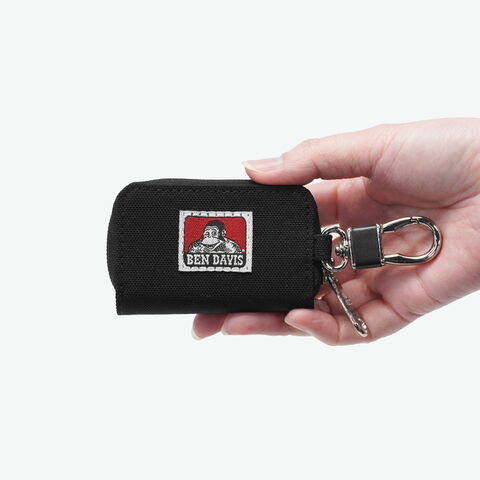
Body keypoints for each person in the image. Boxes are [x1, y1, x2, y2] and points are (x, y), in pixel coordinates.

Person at [192, 118, 480, 345]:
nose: (209, 237)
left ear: (222, 234)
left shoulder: (231, 247)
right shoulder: (198, 247)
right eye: (207, 233)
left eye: (214, 232)